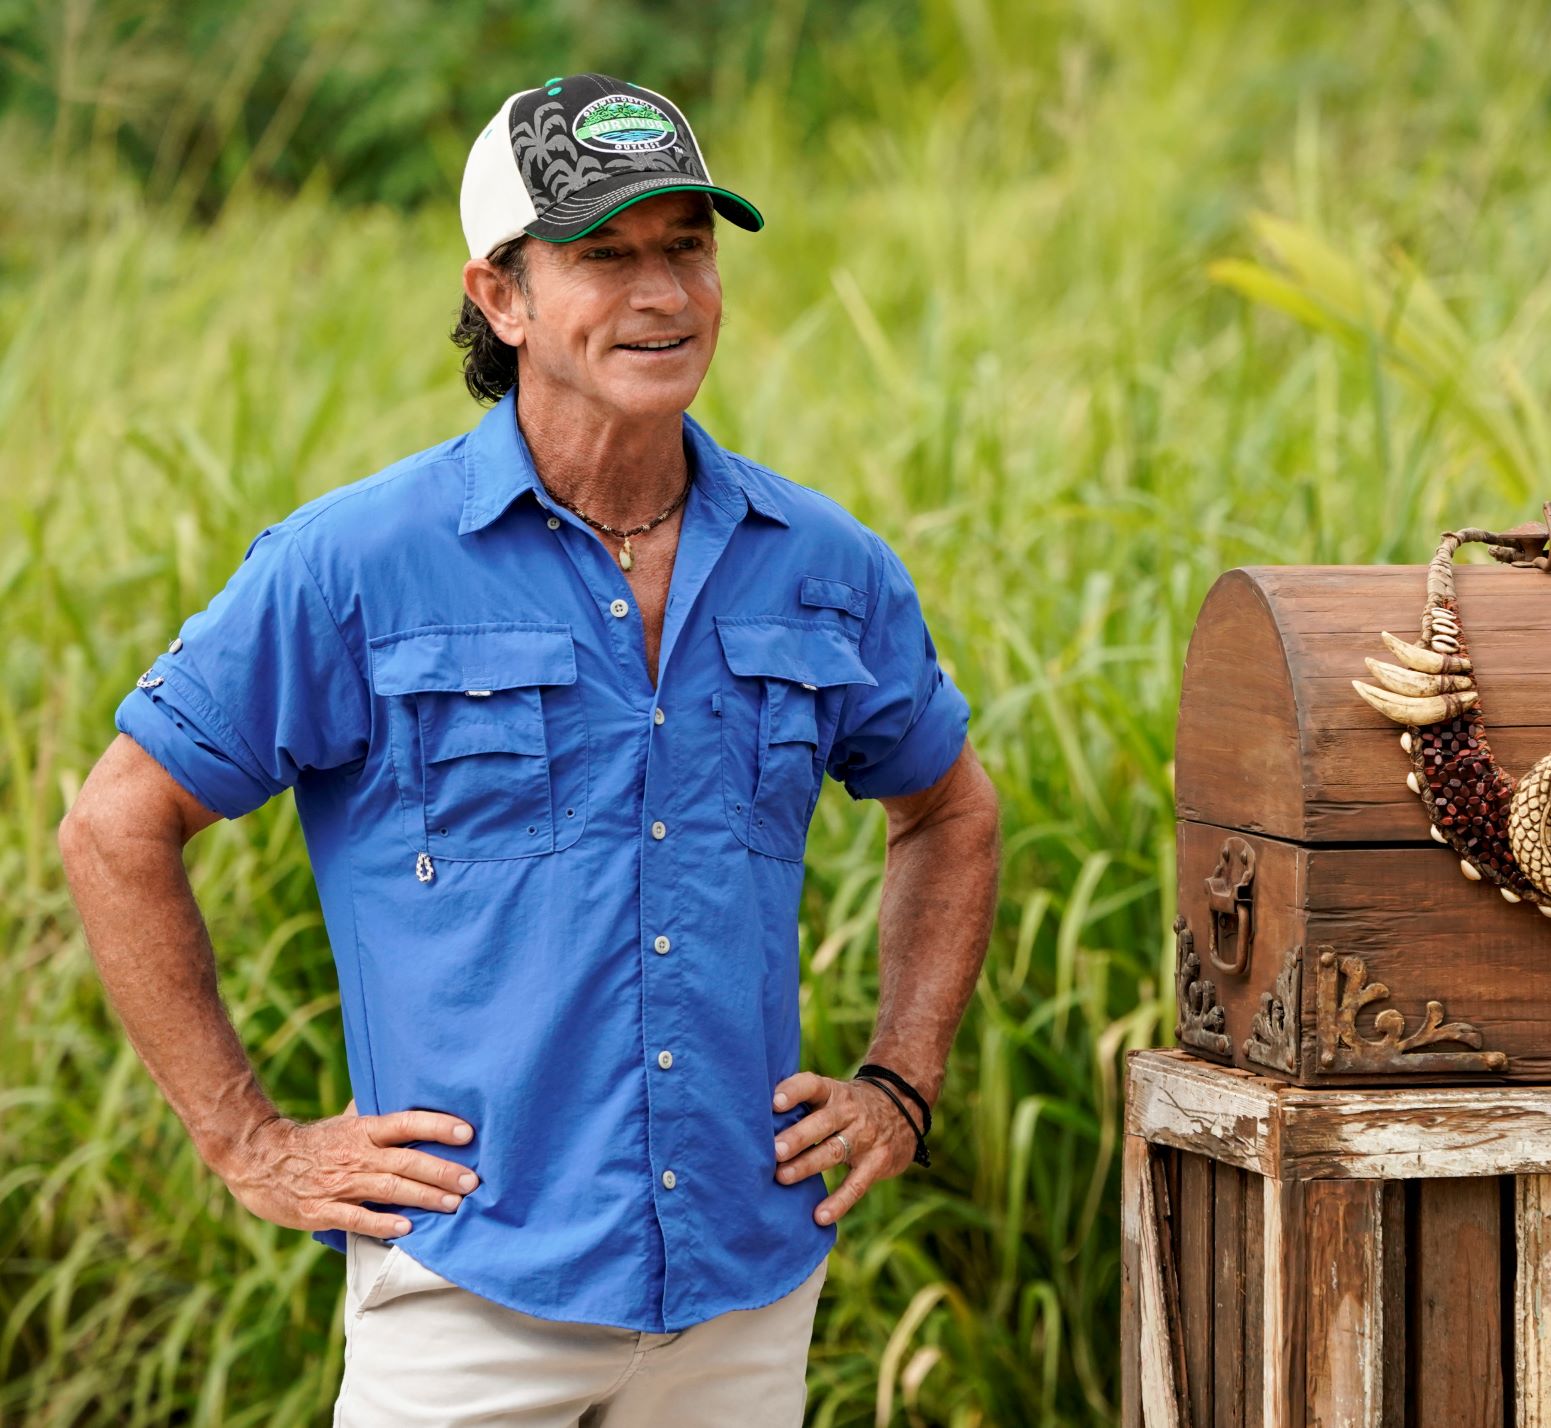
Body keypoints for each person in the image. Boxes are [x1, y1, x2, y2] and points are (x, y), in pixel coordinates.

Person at [57, 72, 1000, 1426]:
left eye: (685, 247)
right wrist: (249, 1141)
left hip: (742, 1292)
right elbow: (113, 826)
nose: (662, 294)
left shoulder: (826, 568)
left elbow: (949, 811)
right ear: (501, 297)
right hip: (466, 1288)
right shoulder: (356, 565)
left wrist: (901, 1079)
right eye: (604, 256)